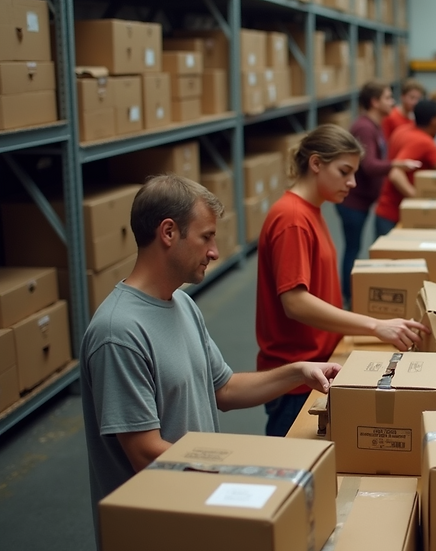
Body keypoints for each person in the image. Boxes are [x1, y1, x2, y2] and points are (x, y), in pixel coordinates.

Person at [80, 174, 344, 526]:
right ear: (168, 232)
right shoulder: (118, 332)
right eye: (206, 237)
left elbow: (224, 389)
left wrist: (298, 371)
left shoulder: (182, 304)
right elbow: (145, 453)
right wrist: (241, 472)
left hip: (198, 506)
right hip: (155, 526)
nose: (215, 252)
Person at [256, 125, 428, 437]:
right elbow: (295, 302)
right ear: (316, 163)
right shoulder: (292, 218)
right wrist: (374, 326)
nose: (352, 183)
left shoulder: (312, 210)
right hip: (296, 378)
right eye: (344, 172)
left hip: (319, 366)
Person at [339, 81, 421, 303]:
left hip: (363, 200)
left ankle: (351, 295)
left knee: (355, 247)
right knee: (353, 248)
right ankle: (350, 298)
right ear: (374, 102)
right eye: (387, 98)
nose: (392, 102)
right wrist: (397, 164)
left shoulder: (375, 125)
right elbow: (368, 165)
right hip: (353, 201)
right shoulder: (365, 128)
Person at [374, 100, 436, 235]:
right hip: (397, 214)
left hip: (385, 209)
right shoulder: (423, 141)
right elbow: (395, 173)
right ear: (434, 120)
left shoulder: (402, 130)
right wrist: (418, 199)